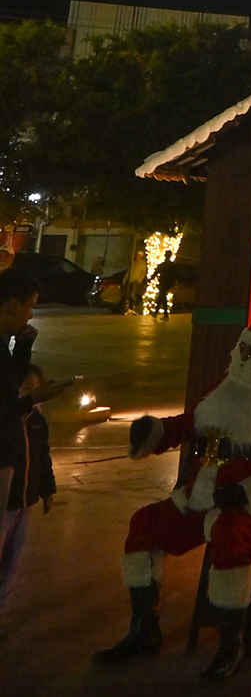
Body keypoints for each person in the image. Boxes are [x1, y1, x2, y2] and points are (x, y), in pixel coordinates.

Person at [94, 309, 251, 681]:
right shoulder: (228, 383)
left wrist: (247, 494)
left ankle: (231, 642)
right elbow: (190, 423)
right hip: (203, 495)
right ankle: (144, 628)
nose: (243, 356)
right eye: (242, 348)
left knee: (230, 534)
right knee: (145, 524)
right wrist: (155, 432)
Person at [0, 266, 71, 640]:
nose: (30, 315)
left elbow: (9, 387)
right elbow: (5, 406)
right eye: (29, 306)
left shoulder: (4, 345)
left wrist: (23, 347)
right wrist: (35, 398)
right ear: (11, 304)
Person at [0, 363, 57, 623]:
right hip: (6, 503)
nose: (34, 394)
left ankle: (2, 609)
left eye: (36, 388)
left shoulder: (38, 422)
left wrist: (48, 491)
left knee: (13, 559)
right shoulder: (7, 422)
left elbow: (43, 457)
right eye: (27, 388)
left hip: (27, 502)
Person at [147, 252, 180, 320]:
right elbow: (176, 275)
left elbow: (155, 273)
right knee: (161, 296)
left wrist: (149, 280)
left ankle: (165, 314)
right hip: (168, 283)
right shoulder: (172, 265)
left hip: (164, 283)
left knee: (162, 296)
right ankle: (156, 313)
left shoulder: (163, 265)